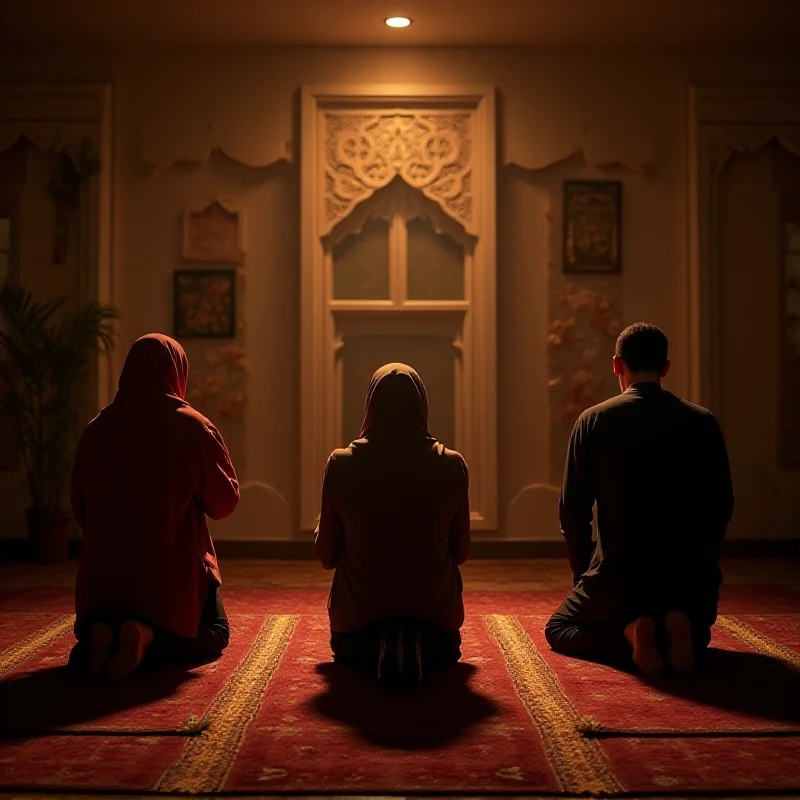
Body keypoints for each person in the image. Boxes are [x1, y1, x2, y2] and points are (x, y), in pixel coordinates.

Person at [545, 323, 734, 678]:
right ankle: (679, 629)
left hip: (619, 582)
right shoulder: (703, 422)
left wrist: (584, 576)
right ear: (665, 368)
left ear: (617, 365)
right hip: (689, 584)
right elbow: (723, 505)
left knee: (559, 629)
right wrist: (701, 570)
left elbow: (573, 513)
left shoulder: (594, 421)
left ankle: (631, 633)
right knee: (700, 632)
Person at [69, 334, 239, 680]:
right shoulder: (193, 427)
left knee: (98, 628)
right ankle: (148, 635)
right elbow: (224, 503)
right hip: (168, 585)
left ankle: (99, 633)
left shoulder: (96, 429)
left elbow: (80, 507)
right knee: (216, 633)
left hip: (103, 583)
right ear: (177, 372)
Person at [314, 363, 470, 685]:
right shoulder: (451, 464)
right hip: (438, 640)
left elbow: (327, 557)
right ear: (421, 405)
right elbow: (462, 551)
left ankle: (386, 641)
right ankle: (408, 639)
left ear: (371, 405)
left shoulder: (341, 464)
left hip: (356, 639)